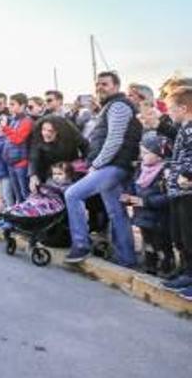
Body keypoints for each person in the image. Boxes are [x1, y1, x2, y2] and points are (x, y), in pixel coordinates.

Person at [64, 71, 142, 267]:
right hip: (113, 165)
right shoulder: (109, 106)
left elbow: (114, 140)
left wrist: (96, 165)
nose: (100, 87)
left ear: (116, 86)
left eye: (105, 84)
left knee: (72, 194)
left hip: (113, 165)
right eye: (98, 84)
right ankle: (126, 259)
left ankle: (81, 244)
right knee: (116, 211)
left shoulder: (118, 106)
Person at [123, 134, 172, 276]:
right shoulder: (140, 168)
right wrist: (128, 197)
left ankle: (166, 263)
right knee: (148, 241)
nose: (142, 155)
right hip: (142, 215)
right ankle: (150, 263)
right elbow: (132, 187)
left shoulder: (165, 171)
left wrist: (146, 202)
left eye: (146, 153)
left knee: (161, 242)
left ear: (159, 155)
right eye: (141, 152)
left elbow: (168, 196)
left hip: (159, 218)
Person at [162, 86, 192, 300]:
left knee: (189, 236)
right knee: (180, 236)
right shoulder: (184, 127)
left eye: (171, 108)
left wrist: (188, 175)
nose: (169, 112)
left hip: (186, 190)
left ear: (183, 108)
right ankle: (186, 271)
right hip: (177, 192)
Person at [28, 115, 88, 192]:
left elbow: (85, 147)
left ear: (58, 131)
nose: (45, 133)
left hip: (71, 172)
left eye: (50, 131)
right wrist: (33, 175)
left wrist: (86, 166)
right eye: (43, 129)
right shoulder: (37, 136)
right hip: (49, 174)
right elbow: (34, 157)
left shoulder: (69, 132)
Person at [0, 93, 34, 203]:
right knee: (17, 193)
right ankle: (19, 217)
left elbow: (18, 139)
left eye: (12, 104)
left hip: (21, 163)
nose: (9, 107)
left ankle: (29, 217)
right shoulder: (14, 120)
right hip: (11, 162)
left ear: (22, 105)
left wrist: (5, 128)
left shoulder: (27, 121)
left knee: (25, 193)